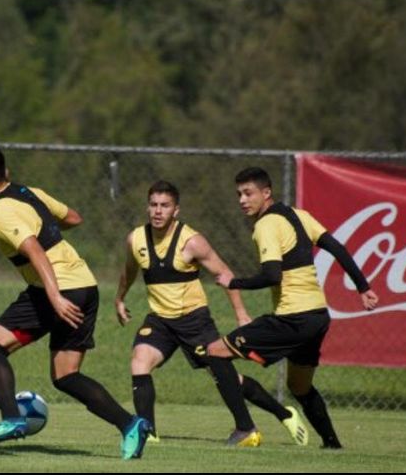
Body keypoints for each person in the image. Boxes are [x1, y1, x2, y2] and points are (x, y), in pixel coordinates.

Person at [0, 145, 151, 460]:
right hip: (85, 285)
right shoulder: (30, 193)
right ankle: (130, 424)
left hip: (57, 289)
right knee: (66, 375)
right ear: (6, 171)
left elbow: (35, 251)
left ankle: (12, 419)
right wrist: (47, 227)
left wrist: (54, 297)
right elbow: (73, 218)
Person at [115, 180, 309, 447]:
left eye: (165, 206)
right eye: (154, 205)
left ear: (176, 210)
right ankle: (147, 431)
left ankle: (279, 416)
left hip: (194, 320)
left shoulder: (192, 242)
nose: (158, 211)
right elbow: (129, 270)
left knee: (228, 378)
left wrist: (241, 314)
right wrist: (119, 299)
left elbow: (224, 274)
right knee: (139, 361)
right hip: (160, 320)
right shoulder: (135, 239)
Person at [208, 166, 380, 449]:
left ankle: (245, 429)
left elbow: (271, 275)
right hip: (318, 317)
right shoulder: (299, 215)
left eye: (248, 193)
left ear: (266, 193)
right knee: (299, 386)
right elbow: (337, 247)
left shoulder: (266, 225)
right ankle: (332, 445)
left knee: (215, 352)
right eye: (239, 194)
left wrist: (233, 282)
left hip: (293, 318)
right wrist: (363, 287)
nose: (242, 200)